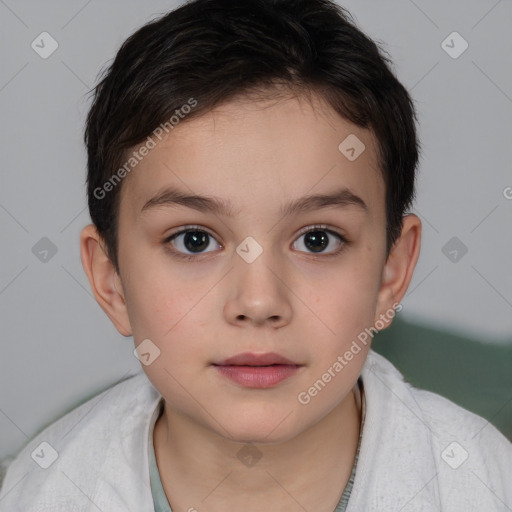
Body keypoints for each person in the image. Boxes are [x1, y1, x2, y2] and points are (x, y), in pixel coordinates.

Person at [1, 0, 510, 510]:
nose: (260, 301)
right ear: (110, 279)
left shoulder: (486, 485)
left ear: (391, 274)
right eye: (194, 240)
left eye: (317, 239)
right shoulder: (39, 491)